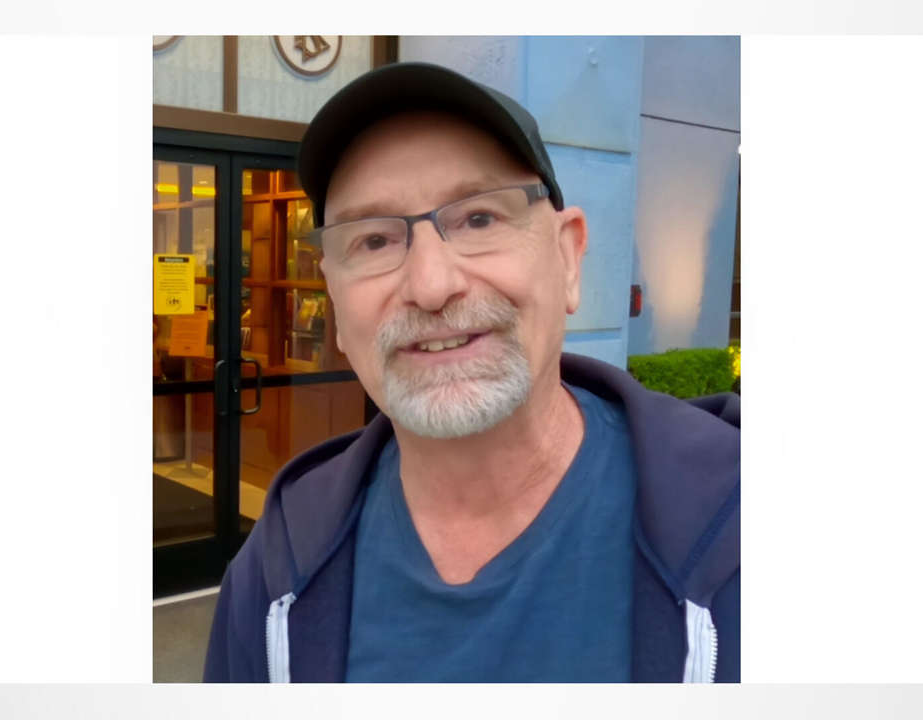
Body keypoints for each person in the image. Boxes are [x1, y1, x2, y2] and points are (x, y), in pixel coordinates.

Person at [203, 62, 740, 683]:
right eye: (373, 241)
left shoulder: (738, 528)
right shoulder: (277, 572)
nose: (432, 286)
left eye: (479, 219)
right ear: (337, 308)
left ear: (568, 258)